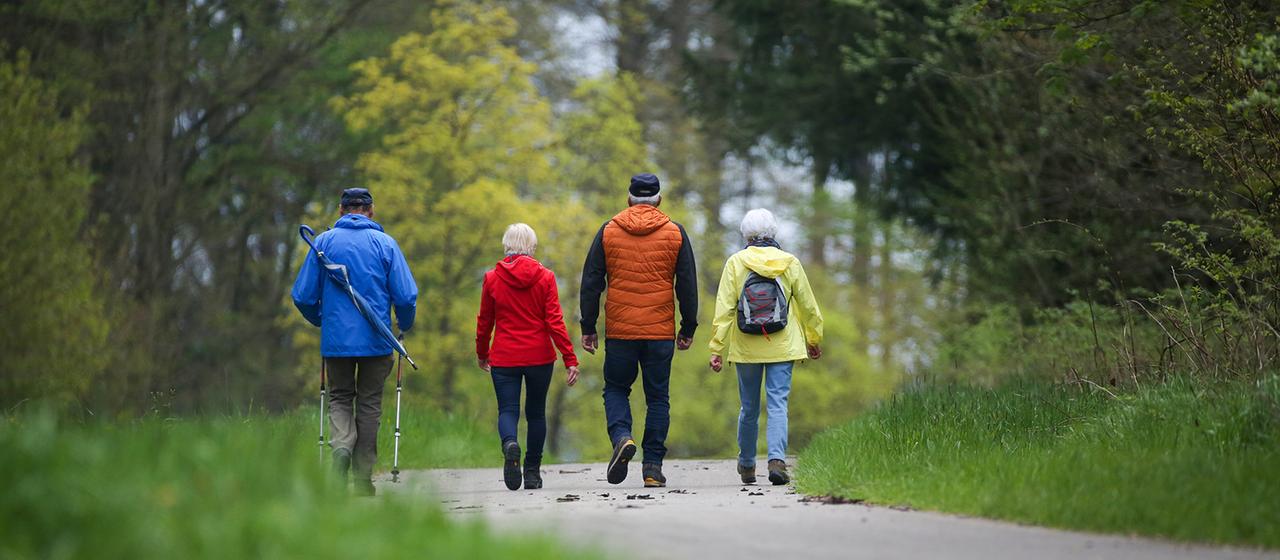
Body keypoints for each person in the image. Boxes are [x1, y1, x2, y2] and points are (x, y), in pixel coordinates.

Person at [291, 187, 418, 496]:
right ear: (370, 211)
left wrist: (322, 320)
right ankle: (362, 478)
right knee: (369, 403)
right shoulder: (386, 244)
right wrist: (404, 325)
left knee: (340, 398)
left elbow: (303, 296)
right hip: (377, 340)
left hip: (337, 342)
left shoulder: (323, 243)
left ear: (341, 210)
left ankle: (341, 450)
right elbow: (406, 296)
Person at [580, 173, 698, 488]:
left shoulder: (609, 230)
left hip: (621, 331)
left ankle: (622, 436)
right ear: (659, 200)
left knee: (616, 389)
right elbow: (687, 284)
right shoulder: (675, 232)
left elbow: (592, 282)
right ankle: (652, 468)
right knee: (658, 397)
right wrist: (688, 326)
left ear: (629, 199)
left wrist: (588, 326)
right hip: (659, 332)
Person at [708, 208, 823, 486]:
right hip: (783, 344)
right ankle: (776, 461)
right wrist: (813, 338)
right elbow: (808, 305)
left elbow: (724, 309)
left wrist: (717, 348)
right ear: (773, 232)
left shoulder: (736, 263)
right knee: (778, 404)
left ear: (745, 235)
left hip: (746, 347)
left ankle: (747, 464)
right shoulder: (790, 262)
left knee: (748, 408)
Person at [476, 223, 580, 491]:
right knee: (536, 414)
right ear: (532, 246)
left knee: (507, 410)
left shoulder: (492, 278)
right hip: (539, 357)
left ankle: (510, 444)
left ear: (506, 245)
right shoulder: (546, 277)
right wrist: (569, 358)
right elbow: (555, 321)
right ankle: (532, 472)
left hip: (504, 357)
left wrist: (482, 353)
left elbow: (485, 321)